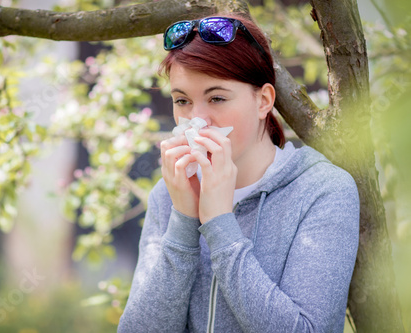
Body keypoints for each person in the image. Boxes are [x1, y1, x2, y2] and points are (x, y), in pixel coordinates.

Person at [118, 13, 359, 333]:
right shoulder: (171, 193)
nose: (197, 119)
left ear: (263, 101)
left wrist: (219, 224)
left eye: (216, 97)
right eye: (182, 101)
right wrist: (183, 221)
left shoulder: (322, 191)